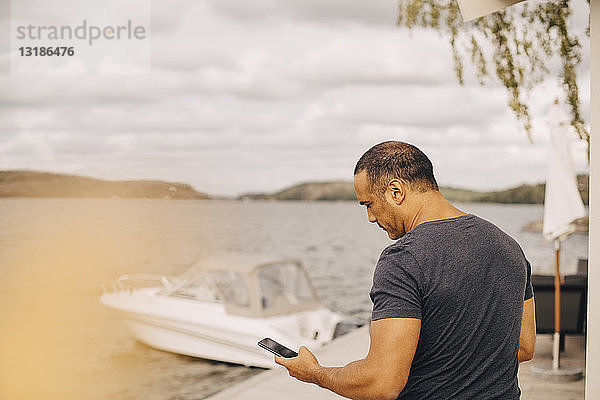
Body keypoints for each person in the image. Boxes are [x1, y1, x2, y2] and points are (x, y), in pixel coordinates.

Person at [275, 141, 536, 400]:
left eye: (368, 204)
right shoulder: (509, 246)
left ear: (396, 191)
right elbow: (524, 346)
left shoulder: (403, 259)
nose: (370, 217)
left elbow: (381, 383)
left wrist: (315, 373)